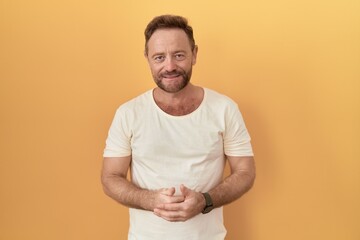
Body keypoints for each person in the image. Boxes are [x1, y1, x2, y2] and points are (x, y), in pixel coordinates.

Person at [101, 14, 256, 240]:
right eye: (159, 57)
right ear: (147, 58)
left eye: (179, 55)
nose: (170, 66)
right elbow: (110, 177)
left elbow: (245, 172)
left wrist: (205, 201)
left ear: (194, 54)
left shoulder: (224, 108)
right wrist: (149, 199)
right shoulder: (128, 113)